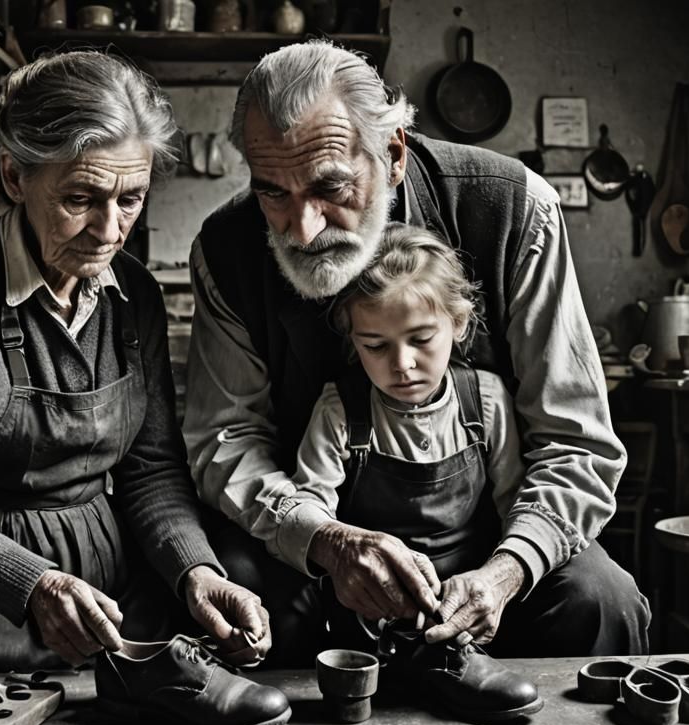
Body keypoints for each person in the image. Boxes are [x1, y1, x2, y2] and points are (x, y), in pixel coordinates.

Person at [184, 40, 650, 666]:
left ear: (395, 154)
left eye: (331, 187)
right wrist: (324, 540)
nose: (302, 228)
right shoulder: (226, 247)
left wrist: (506, 572)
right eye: (274, 193)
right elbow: (226, 439)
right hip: (314, 545)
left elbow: (576, 445)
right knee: (236, 602)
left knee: (604, 601)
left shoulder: (513, 209)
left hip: (489, 542)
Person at [0, 52, 289, 725]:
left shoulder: (137, 298)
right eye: (80, 199)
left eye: (130, 198)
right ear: (15, 175)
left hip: (119, 604)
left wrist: (195, 571)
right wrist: (30, 583)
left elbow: (151, 469)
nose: (110, 229)